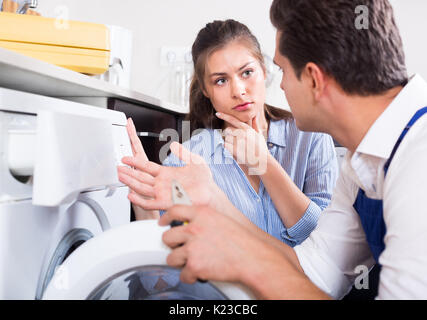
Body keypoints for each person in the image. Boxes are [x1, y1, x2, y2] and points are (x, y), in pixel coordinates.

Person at [120, 0, 427, 299]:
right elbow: (313, 272)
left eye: (280, 69)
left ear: (313, 80)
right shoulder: (359, 163)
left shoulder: (418, 158)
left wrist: (239, 259)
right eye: (222, 80)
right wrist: (214, 201)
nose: (280, 88)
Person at [119, 19, 338, 247]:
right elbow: (165, 271)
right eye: (221, 81)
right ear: (205, 89)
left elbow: (327, 243)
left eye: (247, 72)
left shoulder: (310, 135)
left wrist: (264, 164)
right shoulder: (187, 161)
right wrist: (146, 206)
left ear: (263, 70)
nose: (239, 91)